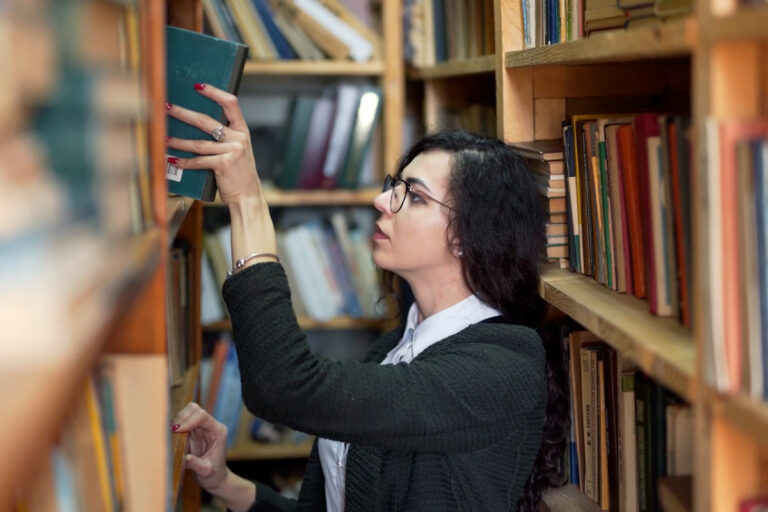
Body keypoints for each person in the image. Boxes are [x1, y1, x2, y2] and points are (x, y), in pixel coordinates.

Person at [167, 83, 568, 512]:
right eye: (394, 186)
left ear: (468, 238)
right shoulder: (393, 348)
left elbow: (282, 386)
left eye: (414, 197)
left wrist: (248, 202)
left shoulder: (501, 368)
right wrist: (228, 484)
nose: (381, 200)